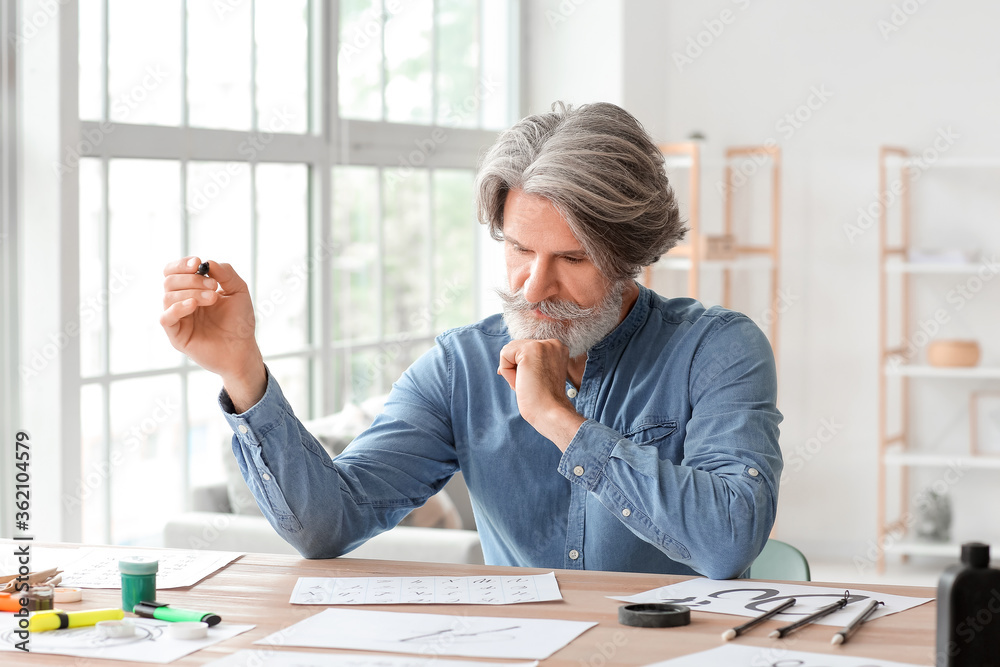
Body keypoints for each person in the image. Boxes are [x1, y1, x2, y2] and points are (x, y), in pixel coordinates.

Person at [160, 102, 782, 579]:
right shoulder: (461, 366)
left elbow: (726, 542)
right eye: (519, 249)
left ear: (631, 257)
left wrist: (557, 419)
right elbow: (329, 526)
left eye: (571, 257)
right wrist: (243, 373)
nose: (536, 288)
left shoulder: (718, 350)